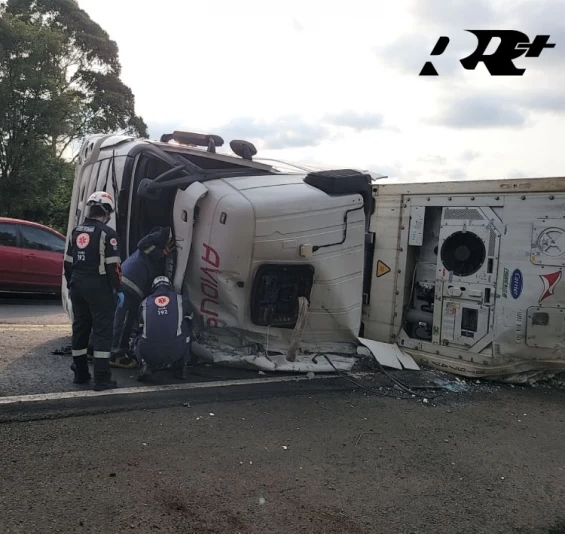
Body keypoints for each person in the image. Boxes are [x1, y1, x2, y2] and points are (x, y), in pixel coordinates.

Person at [64, 191, 123, 391]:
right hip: (98, 288)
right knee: (102, 332)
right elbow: (113, 267)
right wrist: (118, 289)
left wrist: (71, 283)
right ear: (106, 211)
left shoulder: (76, 231)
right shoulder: (108, 234)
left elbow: (68, 263)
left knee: (80, 329)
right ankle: (101, 378)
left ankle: (80, 373)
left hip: (77, 285)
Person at [110, 227, 176, 368]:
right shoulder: (164, 234)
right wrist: (161, 252)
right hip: (130, 284)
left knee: (119, 318)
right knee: (124, 320)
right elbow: (142, 244)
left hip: (128, 282)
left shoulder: (149, 253)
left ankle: (100, 348)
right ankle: (116, 354)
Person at [134, 276, 195, 381]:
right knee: (186, 326)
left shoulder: (144, 303)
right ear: (170, 287)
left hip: (148, 351)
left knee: (139, 336)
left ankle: (145, 364)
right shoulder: (180, 299)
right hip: (176, 350)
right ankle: (182, 366)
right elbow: (191, 320)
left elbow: (140, 327)